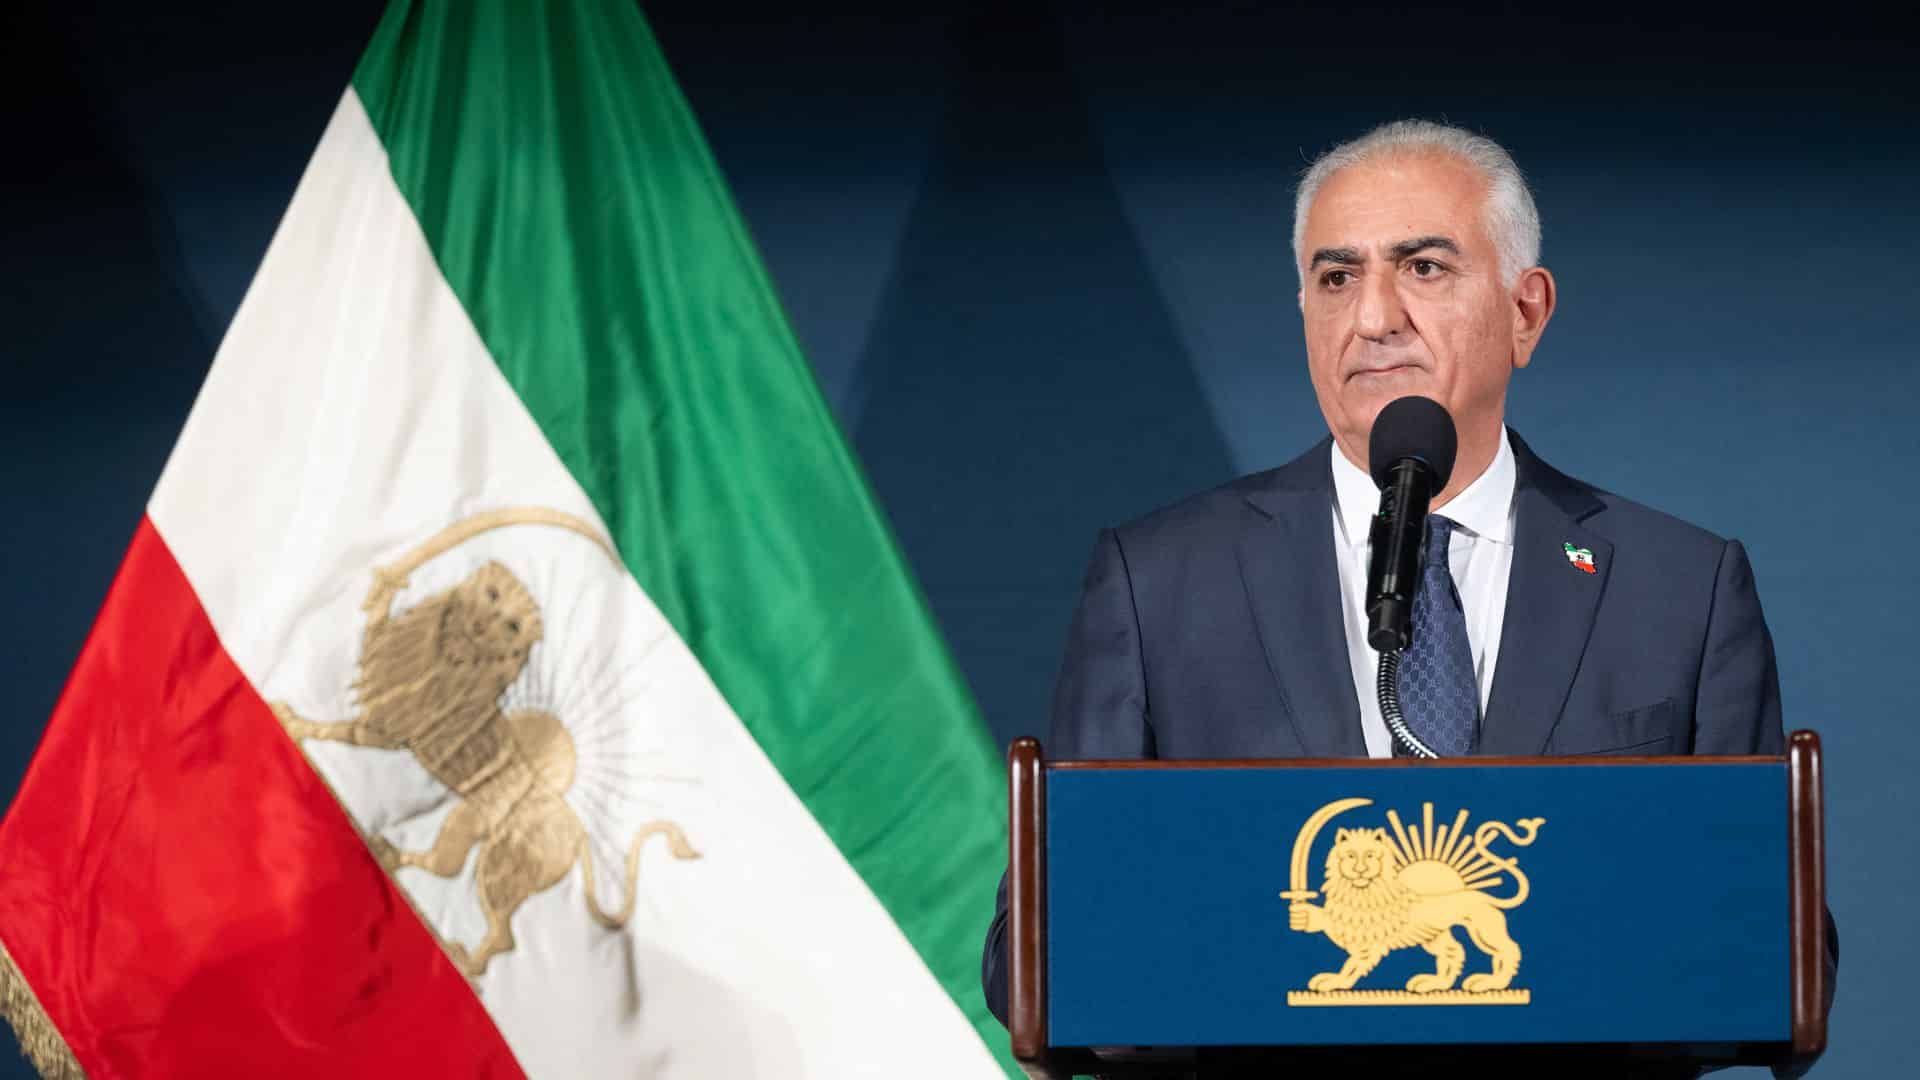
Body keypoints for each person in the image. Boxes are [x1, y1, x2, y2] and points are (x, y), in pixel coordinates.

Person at [981, 120, 1833, 1042]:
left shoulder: (1683, 588)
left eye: (1423, 267)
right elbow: (1035, 960)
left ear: (1526, 311)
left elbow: (1779, 953)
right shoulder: (1158, 582)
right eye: (1336, 278)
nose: (1373, 318)